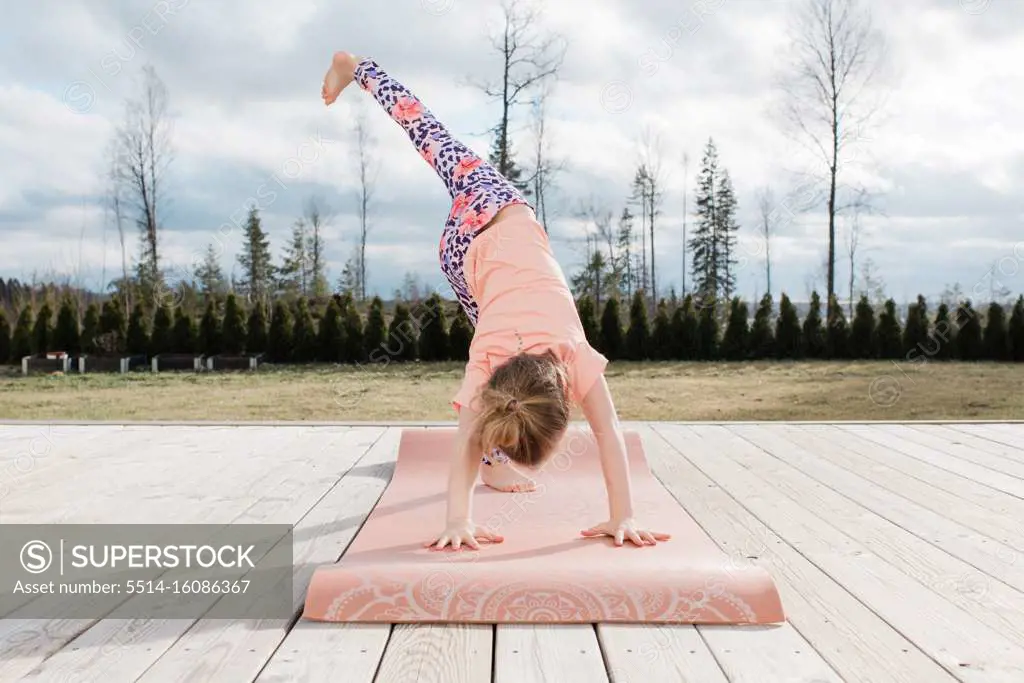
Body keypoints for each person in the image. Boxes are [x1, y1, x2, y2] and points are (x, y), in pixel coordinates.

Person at [322, 51, 670, 550]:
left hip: (493, 208)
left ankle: (359, 69)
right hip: (462, 258)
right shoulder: (500, 359)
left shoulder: (564, 351)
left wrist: (458, 522)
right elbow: (607, 436)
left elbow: (604, 433)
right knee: (484, 394)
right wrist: (623, 517)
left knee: (428, 131)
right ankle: (497, 467)